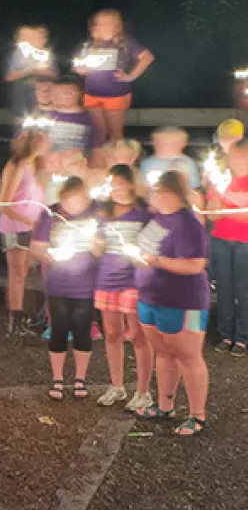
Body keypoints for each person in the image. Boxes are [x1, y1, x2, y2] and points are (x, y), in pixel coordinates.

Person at [132, 171, 210, 435]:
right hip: (150, 297)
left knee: (188, 357)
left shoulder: (188, 225)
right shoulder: (157, 218)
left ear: (170, 193)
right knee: (163, 353)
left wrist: (157, 261)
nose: (152, 196)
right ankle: (165, 406)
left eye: (157, 191)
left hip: (182, 301)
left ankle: (197, 415)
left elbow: (195, 264)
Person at [31, 177, 98, 399]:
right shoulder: (51, 214)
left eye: (79, 201)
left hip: (85, 284)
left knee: (82, 329)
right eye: (69, 201)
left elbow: (103, 248)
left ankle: (80, 378)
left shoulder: (95, 215)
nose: (74, 206)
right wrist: (49, 253)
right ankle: (57, 378)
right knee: (58, 328)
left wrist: (95, 246)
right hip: (58, 284)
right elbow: (36, 247)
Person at [93, 165, 153, 410]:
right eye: (111, 184)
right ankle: (116, 386)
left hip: (135, 280)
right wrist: (95, 244)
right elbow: (98, 248)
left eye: (120, 183)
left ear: (131, 183)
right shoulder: (103, 213)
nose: (115, 189)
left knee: (138, 334)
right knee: (111, 333)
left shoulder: (143, 213)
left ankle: (143, 391)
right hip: (108, 278)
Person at [75, 9, 154, 145]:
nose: (103, 26)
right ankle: (99, 157)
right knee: (98, 131)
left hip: (115, 94)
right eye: (100, 23)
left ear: (117, 25)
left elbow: (147, 57)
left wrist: (131, 76)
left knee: (115, 133)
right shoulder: (89, 44)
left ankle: (117, 158)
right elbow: (77, 63)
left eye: (108, 23)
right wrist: (80, 69)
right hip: (91, 93)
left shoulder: (126, 42)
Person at [0, 128, 48, 337]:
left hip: (33, 226)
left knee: (26, 272)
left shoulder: (37, 167)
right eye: (44, 141)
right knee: (17, 274)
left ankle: (29, 316)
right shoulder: (17, 166)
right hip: (16, 227)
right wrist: (29, 221)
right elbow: (3, 203)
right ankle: (15, 322)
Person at [206, 137, 248, 355]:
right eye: (233, 156)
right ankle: (225, 334)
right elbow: (212, 214)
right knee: (224, 289)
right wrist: (215, 205)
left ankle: (242, 337)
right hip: (221, 240)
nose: (236, 161)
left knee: (244, 290)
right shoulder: (221, 180)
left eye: (241, 156)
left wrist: (229, 210)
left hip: (245, 243)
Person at [5, 25, 56, 122]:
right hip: (22, 102)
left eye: (41, 37)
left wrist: (44, 72)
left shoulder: (47, 55)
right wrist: (30, 71)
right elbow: (9, 77)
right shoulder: (16, 55)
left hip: (45, 104)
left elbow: (55, 76)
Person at [139, 127, 201, 194]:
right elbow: (141, 187)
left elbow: (194, 188)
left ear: (182, 144)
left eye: (172, 143)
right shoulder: (148, 163)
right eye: (162, 143)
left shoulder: (188, 163)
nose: (166, 147)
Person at [47, 79, 95, 156]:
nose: (56, 97)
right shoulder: (47, 116)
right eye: (54, 93)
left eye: (65, 93)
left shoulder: (90, 118)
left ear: (79, 94)